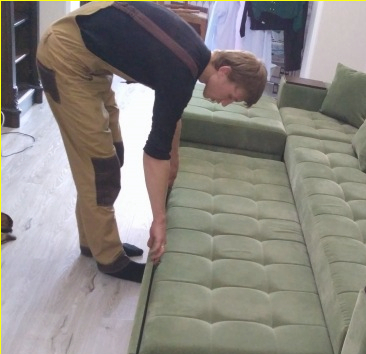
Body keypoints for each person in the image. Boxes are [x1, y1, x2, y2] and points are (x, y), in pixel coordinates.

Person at [36, 1, 267, 283]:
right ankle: (109, 258)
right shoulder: (181, 70)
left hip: (91, 59)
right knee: (100, 165)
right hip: (65, 56)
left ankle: (92, 240)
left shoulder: (196, 56)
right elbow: (155, 152)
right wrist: (160, 219)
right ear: (225, 71)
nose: (225, 103)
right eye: (232, 95)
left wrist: (174, 164)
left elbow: (172, 117)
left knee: (114, 153)